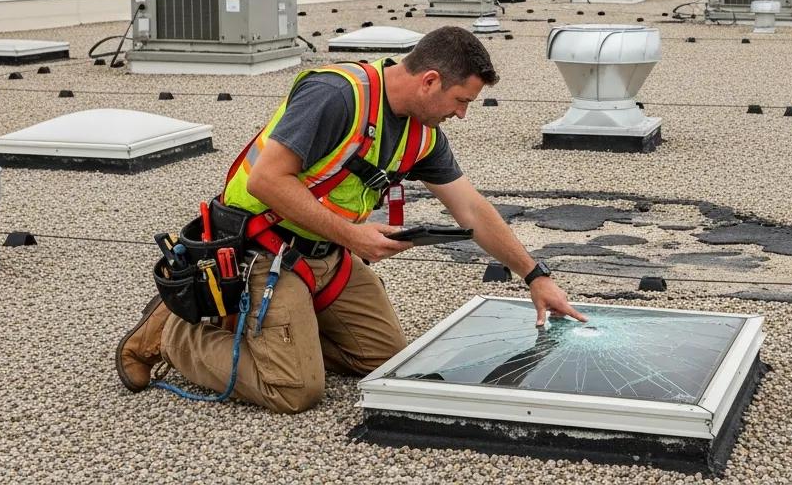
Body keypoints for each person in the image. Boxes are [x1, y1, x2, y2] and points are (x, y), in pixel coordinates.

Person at [117, 26, 584, 413]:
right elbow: (266, 181)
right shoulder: (337, 95)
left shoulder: (423, 132)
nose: (461, 114)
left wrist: (535, 276)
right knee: (294, 390)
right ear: (429, 81)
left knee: (389, 364)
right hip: (259, 249)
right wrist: (353, 236)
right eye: (461, 100)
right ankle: (172, 334)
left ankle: (282, 334)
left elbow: (472, 209)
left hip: (326, 255)